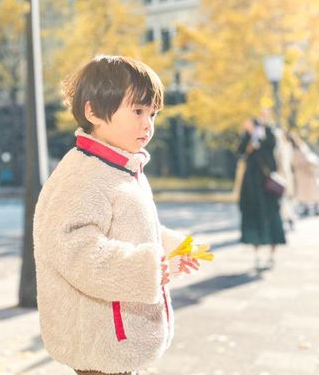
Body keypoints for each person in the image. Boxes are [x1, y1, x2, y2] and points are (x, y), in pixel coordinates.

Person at [33, 55, 205, 375]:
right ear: (93, 111)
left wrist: (172, 248)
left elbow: (133, 230)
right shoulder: (84, 175)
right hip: (103, 345)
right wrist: (148, 268)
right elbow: (75, 250)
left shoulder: (119, 168)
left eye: (152, 113)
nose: (147, 124)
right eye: (137, 111)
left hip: (118, 341)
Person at [237, 117, 286, 270]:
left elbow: (272, 145)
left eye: (250, 125)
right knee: (254, 219)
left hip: (267, 188)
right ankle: (257, 256)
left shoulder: (267, 138)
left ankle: (271, 256)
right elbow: (239, 152)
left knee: (272, 220)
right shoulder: (247, 139)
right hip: (252, 189)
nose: (247, 126)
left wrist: (266, 125)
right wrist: (249, 146)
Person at [290, 133, 319, 216]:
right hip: (302, 175)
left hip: (308, 174)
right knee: (305, 193)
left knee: (310, 192)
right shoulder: (294, 151)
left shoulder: (303, 148)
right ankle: (308, 208)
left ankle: (312, 208)